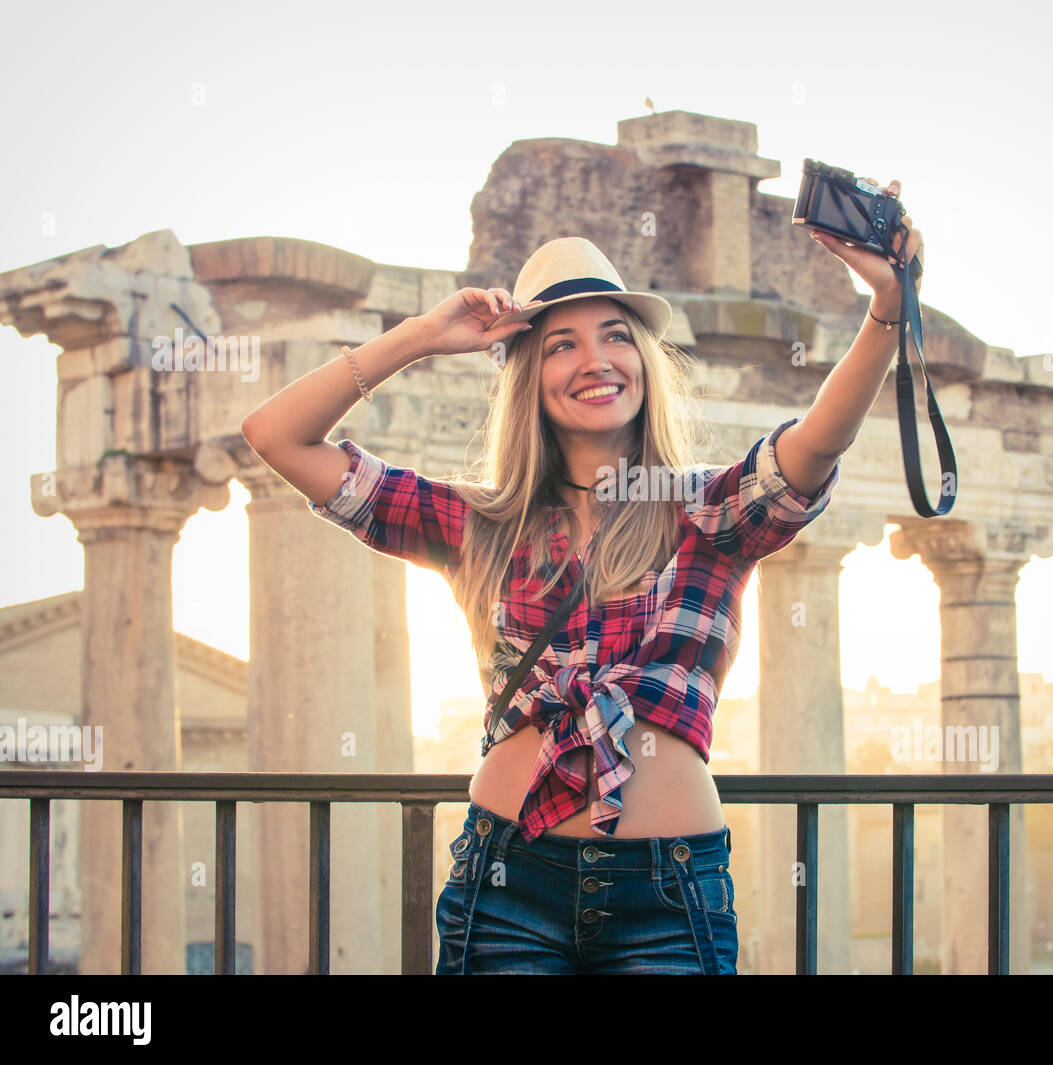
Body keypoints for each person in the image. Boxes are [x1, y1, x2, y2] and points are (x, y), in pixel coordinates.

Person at [240, 185, 923, 974]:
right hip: (507, 884)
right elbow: (276, 435)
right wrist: (421, 338)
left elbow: (816, 443)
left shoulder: (708, 511)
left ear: (643, 360)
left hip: (668, 891)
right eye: (560, 344)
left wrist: (885, 309)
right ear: (528, 376)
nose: (595, 360)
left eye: (615, 337)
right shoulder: (480, 524)